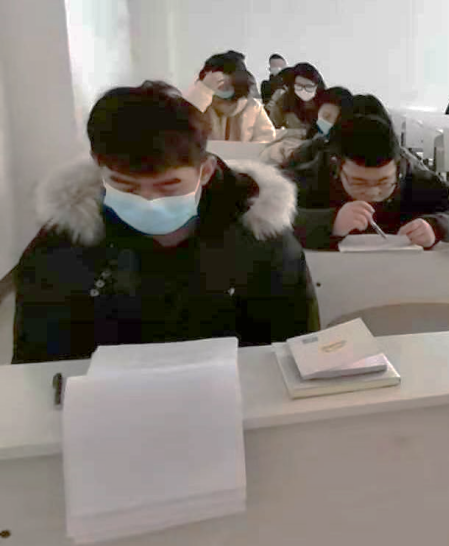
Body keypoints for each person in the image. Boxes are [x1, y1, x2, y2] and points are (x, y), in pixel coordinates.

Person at [12, 81, 318, 364]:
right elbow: (38, 364)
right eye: (126, 187)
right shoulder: (62, 247)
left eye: (169, 187)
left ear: (205, 171)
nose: (149, 201)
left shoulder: (261, 240)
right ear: (100, 169)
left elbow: (294, 354)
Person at [287, 114, 449, 250]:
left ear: (398, 167)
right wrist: (330, 222)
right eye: (358, 182)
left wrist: (436, 227)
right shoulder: (313, 175)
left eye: (384, 182)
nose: (373, 192)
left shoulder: (414, 178)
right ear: (337, 165)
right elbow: (273, 220)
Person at [183, 53, 276, 142]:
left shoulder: (253, 107)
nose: (220, 86)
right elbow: (181, 127)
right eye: (215, 81)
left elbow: (266, 139)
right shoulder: (199, 104)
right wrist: (203, 91)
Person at [261, 86, 352, 165]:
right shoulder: (298, 143)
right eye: (324, 115)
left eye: (335, 117)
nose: (325, 121)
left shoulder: (345, 154)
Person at [268, 63, 325, 130]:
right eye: (299, 86)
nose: (304, 90)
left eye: (309, 86)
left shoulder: (327, 102)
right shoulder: (285, 100)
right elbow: (270, 129)